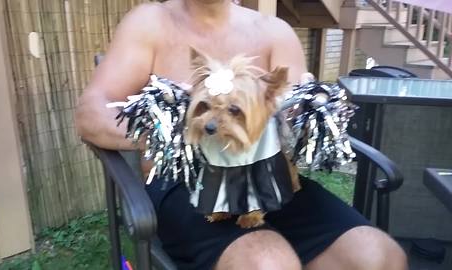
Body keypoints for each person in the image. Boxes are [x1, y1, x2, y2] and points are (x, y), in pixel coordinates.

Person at [75, 1, 408, 269]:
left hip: (270, 181)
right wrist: (170, 132)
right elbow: (91, 114)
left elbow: (293, 124)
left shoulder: (275, 32)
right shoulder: (150, 23)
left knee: (379, 256)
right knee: (267, 263)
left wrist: (304, 116)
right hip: (187, 187)